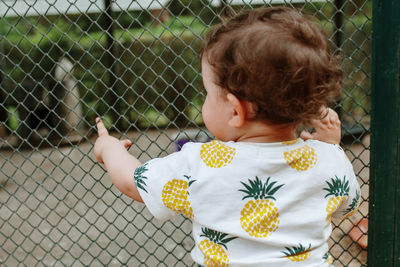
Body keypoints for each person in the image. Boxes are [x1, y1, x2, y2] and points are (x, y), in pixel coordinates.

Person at [94, 6, 360, 266]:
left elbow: (133, 181)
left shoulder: (200, 164)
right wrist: (329, 146)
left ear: (235, 111)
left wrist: (109, 149)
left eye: (208, 93)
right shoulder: (329, 160)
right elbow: (344, 206)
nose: (206, 100)